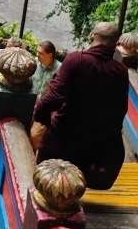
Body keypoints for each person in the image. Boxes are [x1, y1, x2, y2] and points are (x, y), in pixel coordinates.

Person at [32, 22, 128, 190]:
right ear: (115, 43)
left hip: (62, 143)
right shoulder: (120, 71)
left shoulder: (76, 60)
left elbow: (52, 98)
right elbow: (120, 110)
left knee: (47, 185)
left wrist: (42, 120)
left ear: (92, 36)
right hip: (94, 149)